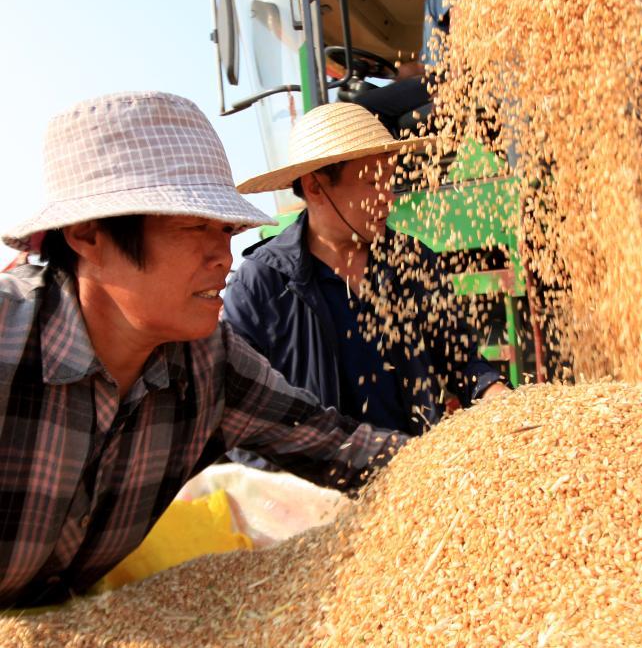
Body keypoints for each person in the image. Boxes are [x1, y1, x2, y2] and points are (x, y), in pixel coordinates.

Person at [0, 92, 403, 608]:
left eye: (227, 229)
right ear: (86, 233)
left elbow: (339, 447)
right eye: (194, 226)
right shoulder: (13, 346)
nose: (223, 255)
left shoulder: (208, 365)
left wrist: (473, 458)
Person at [224, 102, 507, 439]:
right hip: (319, 487)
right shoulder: (263, 284)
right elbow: (237, 412)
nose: (388, 198)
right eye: (373, 184)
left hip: (416, 471)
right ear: (316, 187)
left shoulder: (411, 260)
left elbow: (460, 360)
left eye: (389, 182)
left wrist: (495, 394)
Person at [352, 0, 461, 135]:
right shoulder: (430, 7)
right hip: (435, 78)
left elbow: (462, 24)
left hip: (448, 78)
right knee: (372, 96)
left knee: (360, 107)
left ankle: (394, 161)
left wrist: (451, 86)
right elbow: (422, 66)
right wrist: (377, 69)